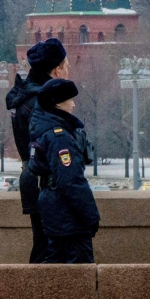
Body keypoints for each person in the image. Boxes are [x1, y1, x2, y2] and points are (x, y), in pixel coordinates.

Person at [6, 38, 69, 263]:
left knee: (44, 245)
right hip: (47, 182)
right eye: (66, 66)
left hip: (32, 177)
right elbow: (53, 145)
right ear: (55, 69)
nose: (68, 72)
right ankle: (37, 296)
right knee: (50, 251)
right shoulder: (42, 100)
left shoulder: (24, 95)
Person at [29, 78, 99, 264]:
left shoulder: (45, 130)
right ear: (58, 103)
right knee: (79, 271)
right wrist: (90, 214)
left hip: (53, 206)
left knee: (56, 265)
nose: (74, 104)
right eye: (70, 100)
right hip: (67, 214)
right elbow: (70, 180)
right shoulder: (60, 137)